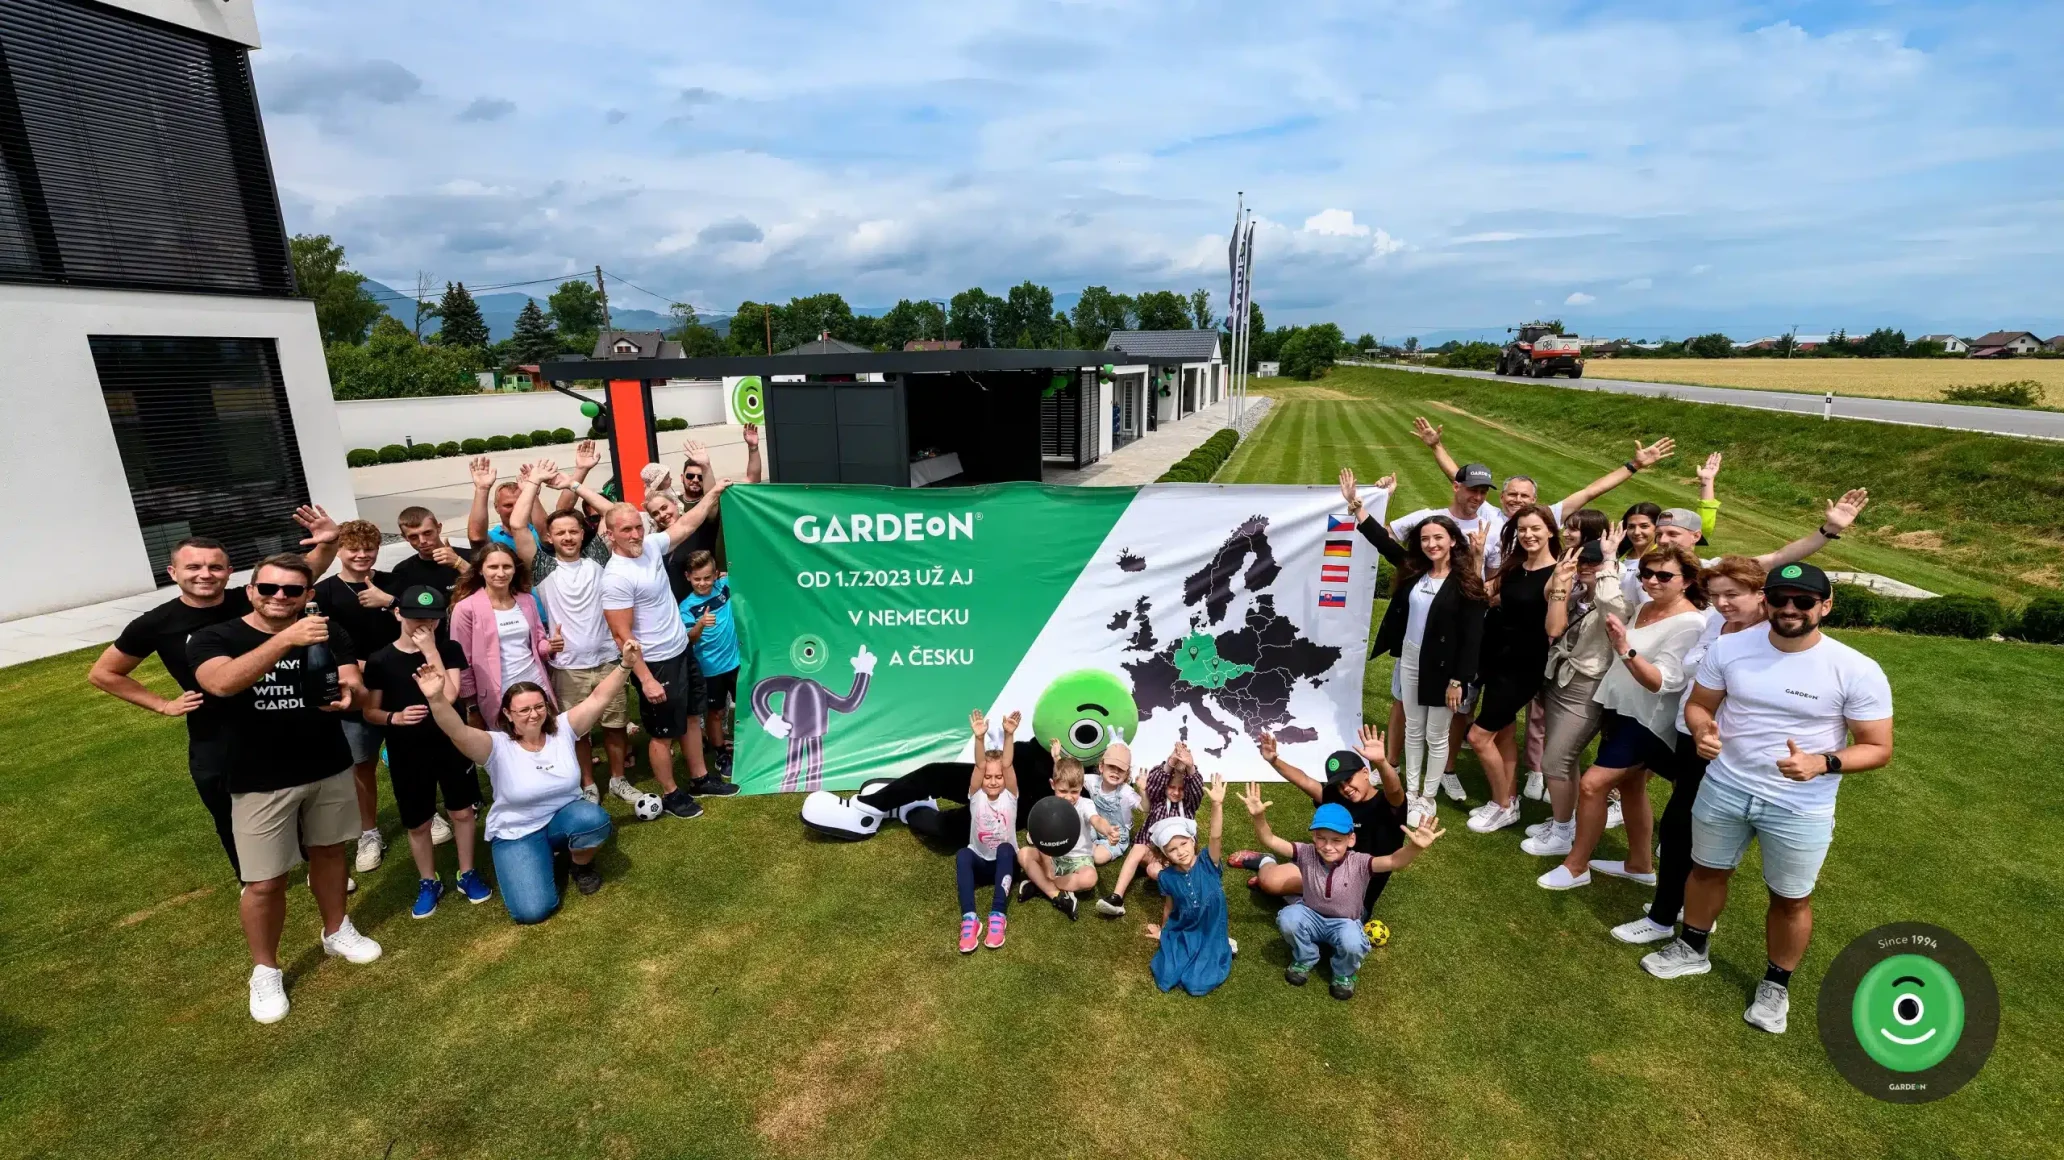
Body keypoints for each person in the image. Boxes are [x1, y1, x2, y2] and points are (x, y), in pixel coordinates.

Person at [1642, 562, 1893, 1035]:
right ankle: (1692, 946)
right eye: (1780, 598)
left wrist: (1823, 762)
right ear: (1766, 601)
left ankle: (1776, 983)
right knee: (1706, 870)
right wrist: (1702, 730)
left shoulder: (1856, 669)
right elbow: (1699, 704)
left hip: (1799, 805)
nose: (1790, 608)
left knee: (1790, 898)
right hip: (1725, 785)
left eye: (1804, 601)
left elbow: (1878, 747)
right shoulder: (1731, 647)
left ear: (1826, 605)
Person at [89, 508, 340, 879]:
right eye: (193, 567)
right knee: (229, 814)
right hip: (216, 736)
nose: (205, 574)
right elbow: (104, 673)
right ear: (173, 572)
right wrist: (162, 704)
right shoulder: (156, 623)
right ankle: (252, 880)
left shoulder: (251, 599)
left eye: (215, 567)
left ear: (229, 571)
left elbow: (302, 575)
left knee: (297, 799)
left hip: (276, 723)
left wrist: (330, 542)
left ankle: (309, 865)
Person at [188, 554, 381, 1024]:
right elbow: (221, 683)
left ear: (307, 596)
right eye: (269, 588)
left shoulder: (326, 631)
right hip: (258, 777)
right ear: (250, 591)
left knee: (330, 853)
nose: (279, 597)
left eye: (292, 591)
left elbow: (352, 682)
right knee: (264, 881)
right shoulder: (216, 637)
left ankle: (336, 930)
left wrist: (349, 695)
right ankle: (265, 969)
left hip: (327, 764)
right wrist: (286, 640)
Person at [415, 638, 643, 924]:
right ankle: (541, 855)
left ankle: (580, 864)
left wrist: (625, 665)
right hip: (517, 831)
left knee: (593, 819)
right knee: (532, 911)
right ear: (508, 714)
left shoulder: (563, 729)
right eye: (523, 710)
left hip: (564, 818)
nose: (533, 714)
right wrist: (436, 699)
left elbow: (598, 698)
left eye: (539, 706)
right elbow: (457, 731)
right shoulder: (495, 746)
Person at [1611, 555, 1766, 945]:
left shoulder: (1769, 638)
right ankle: (1679, 906)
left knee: (1687, 828)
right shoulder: (1715, 621)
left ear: (1760, 594)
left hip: (1724, 748)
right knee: (1682, 827)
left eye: (1733, 594)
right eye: (1716, 595)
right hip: (1688, 732)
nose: (1723, 603)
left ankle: (1666, 917)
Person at [1538, 544, 1710, 890]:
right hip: (1620, 709)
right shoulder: (1646, 606)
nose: (1652, 581)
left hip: (1647, 721)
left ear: (1688, 580)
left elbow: (1663, 682)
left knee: (1592, 785)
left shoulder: (1690, 623)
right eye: (1647, 573)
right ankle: (1639, 864)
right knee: (1632, 787)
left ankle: (1576, 866)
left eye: (1664, 575)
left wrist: (1624, 649)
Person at [504, 463, 638, 808]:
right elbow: (517, 524)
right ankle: (588, 784)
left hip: (608, 660)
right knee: (576, 730)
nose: (567, 537)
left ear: (582, 534)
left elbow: (613, 513)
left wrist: (574, 484)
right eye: (560, 533)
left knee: (615, 724)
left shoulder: (599, 556)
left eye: (573, 531)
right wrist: (534, 483)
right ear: (548, 537)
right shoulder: (542, 566)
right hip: (567, 665)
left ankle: (619, 780)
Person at [601, 484, 733, 818]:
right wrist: (645, 679)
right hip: (656, 663)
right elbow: (621, 634)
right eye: (626, 530)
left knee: (690, 718)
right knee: (663, 734)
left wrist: (713, 493)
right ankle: (671, 794)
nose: (635, 534)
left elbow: (686, 524)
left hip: (681, 651)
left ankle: (701, 779)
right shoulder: (615, 577)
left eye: (637, 526)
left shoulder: (649, 546)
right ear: (611, 535)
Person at [1242, 786, 1443, 999]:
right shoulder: (1306, 853)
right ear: (1314, 836)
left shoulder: (1360, 862)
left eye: (1337, 840)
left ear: (1351, 840)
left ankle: (1343, 974)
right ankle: (1305, 957)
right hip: (1311, 916)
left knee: (1352, 942)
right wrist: (1258, 817)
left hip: (1345, 922)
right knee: (1288, 918)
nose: (1328, 846)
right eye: (1322, 838)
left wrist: (1415, 847)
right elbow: (1270, 840)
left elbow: (1394, 861)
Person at [359, 590, 488, 917]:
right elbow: (370, 711)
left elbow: (449, 694)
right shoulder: (380, 660)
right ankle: (428, 881)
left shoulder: (448, 649)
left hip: (452, 745)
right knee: (418, 823)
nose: (426, 624)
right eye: (417, 616)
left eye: (433, 618)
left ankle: (467, 872)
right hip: (407, 751)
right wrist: (394, 718)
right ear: (398, 613)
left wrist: (430, 651)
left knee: (462, 812)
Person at [1404, 416, 1676, 571]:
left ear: (1534, 500)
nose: (1517, 500)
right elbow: (1459, 479)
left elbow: (1591, 491)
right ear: (1502, 497)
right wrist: (1436, 447)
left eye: (1525, 496)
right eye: (1512, 494)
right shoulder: (1488, 514)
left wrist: (1634, 465)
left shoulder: (1546, 517)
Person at [1370, 516, 1487, 826]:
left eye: (1438, 537)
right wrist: (1358, 510)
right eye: (1425, 539)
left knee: (1436, 735)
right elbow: (1384, 544)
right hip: (1411, 658)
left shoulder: (1466, 581)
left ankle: (1428, 796)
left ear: (1452, 540)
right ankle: (1411, 792)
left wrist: (1458, 680)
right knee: (1413, 728)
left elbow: (1472, 638)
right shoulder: (1415, 571)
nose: (1431, 544)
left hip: (1445, 669)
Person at [1521, 524, 1629, 857]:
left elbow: (1610, 604)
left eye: (1591, 563)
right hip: (1558, 680)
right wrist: (1560, 581)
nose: (1585, 568)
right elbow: (1553, 626)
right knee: (1565, 760)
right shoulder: (1579, 593)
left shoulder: (1617, 596)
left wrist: (1608, 561)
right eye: (1582, 561)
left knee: (1555, 761)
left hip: (1586, 687)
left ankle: (1562, 833)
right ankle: (1564, 822)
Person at [1230, 726, 1409, 918]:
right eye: (1339, 784)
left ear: (1366, 773)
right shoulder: (1338, 797)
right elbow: (1305, 781)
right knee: (1270, 882)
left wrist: (1381, 763)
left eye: (1349, 779)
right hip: (1322, 870)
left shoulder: (1388, 804)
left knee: (1336, 921)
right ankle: (1266, 862)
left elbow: (1395, 790)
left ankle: (1298, 898)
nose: (1346, 788)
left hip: (1357, 889)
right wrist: (1274, 760)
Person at [311, 519, 402, 874]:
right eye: (353, 549)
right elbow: (320, 641)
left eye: (369, 548)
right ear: (339, 551)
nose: (362, 555)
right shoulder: (324, 593)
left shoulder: (393, 582)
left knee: (409, 753)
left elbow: (419, 621)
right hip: (355, 689)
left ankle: (421, 813)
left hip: (399, 684)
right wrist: (357, 665)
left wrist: (389, 602)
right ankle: (369, 832)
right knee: (362, 763)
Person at [1465, 503, 1562, 833]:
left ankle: (1502, 805)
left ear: (1550, 531)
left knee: (1478, 737)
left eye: (1535, 528)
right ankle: (1510, 800)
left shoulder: (1556, 574)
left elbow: (1554, 628)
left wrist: (1560, 586)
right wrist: (1478, 557)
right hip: (1496, 659)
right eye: (1522, 530)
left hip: (1522, 667)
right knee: (1504, 732)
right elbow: (1480, 595)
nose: (1528, 535)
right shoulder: (1515, 568)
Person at [449, 542, 558, 735]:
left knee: (545, 737)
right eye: (493, 567)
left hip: (535, 681)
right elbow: (462, 660)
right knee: (510, 743)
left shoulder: (527, 600)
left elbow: (538, 643)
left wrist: (549, 647)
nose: (501, 573)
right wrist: (471, 703)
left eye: (506, 566)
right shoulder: (466, 608)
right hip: (497, 693)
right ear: (480, 570)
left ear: (515, 569)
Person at [1145, 774, 1231, 998]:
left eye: (1183, 844)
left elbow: (1216, 837)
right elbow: (1169, 906)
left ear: (1192, 841)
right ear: (1166, 854)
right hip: (1187, 927)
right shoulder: (1167, 877)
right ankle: (1183, 947)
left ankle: (1222, 945)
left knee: (1196, 982)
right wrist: (1163, 931)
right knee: (1167, 971)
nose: (1180, 852)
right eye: (1172, 850)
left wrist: (1217, 805)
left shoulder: (1207, 862)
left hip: (1211, 927)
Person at [1095, 742, 1203, 917]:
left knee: (1163, 869)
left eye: (1181, 789)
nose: (1176, 792)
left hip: (1177, 859)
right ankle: (1117, 898)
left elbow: (1196, 789)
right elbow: (1155, 782)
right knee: (1140, 851)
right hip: (1154, 853)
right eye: (1172, 787)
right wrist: (1170, 762)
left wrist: (1190, 768)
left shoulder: (1189, 805)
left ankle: (1185, 895)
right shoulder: (1158, 801)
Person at [660, 432, 763, 600]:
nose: (695, 480)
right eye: (690, 476)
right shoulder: (671, 505)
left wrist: (753, 448)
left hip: (710, 579)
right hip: (679, 577)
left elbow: (752, 479)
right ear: (682, 478)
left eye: (700, 477)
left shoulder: (717, 498)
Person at [1016, 749, 1109, 920]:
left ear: (1081, 787)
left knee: (1090, 878)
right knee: (1023, 854)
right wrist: (1047, 866)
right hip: (1053, 856)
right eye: (1063, 791)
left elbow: (1096, 820)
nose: (1068, 797)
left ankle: (1042, 885)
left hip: (1079, 860)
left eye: (1074, 792)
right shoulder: (1048, 807)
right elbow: (1042, 841)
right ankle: (1056, 894)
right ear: (1053, 785)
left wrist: (1107, 829)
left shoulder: (1085, 804)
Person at [956, 709, 1021, 953]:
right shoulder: (976, 795)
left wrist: (1008, 735)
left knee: (1005, 849)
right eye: (988, 777)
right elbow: (980, 764)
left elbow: (1008, 764)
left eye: (998, 777)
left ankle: (997, 916)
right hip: (982, 864)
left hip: (1005, 863)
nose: (993, 781)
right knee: (963, 854)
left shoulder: (1010, 795)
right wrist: (979, 738)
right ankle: (970, 919)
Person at [679, 550, 741, 780]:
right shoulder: (686, 607)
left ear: (715, 574)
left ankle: (751, 745)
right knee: (716, 713)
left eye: (707, 577)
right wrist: (701, 624)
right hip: (710, 670)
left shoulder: (724, 587)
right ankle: (721, 754)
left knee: (747, 705)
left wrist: (727, 574)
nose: (703, 583)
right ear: (688, 577)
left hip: (736, 663)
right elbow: (689, 639)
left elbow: (745, 571)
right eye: (697, 579)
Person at [387, 506, 471, 616]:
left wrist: (460, 564)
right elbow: (402, 614)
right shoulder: (403, 570)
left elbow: (489, 592)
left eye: (427, 533)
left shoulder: (469, 557)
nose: (422, 541)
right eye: (413, 537)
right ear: (405, 537)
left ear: (439, 528)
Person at [467, 454, 551, 552]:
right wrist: (482, 489)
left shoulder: (536, 531)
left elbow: (547, 536)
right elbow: (477, 537)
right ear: (496, 508)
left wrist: (532, 492)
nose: (515, 509)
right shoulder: (494, 537)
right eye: (508, 505)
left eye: (520, 503)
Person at [1085, 741, 1141, 867]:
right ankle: (1091, 845)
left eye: (1121, 769)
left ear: (1127, 774)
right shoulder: (1093, 781)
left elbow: (1144, 807)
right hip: (1096, 827)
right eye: (1111, 766)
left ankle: (1095, 848)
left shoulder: (1126, 792)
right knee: (1079, 835)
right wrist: (1057, 758)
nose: (1115, 772)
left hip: (1116, 836)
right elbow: (1073, 778)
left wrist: (1143, 790)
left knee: (1097, 857)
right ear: (1101, 767)